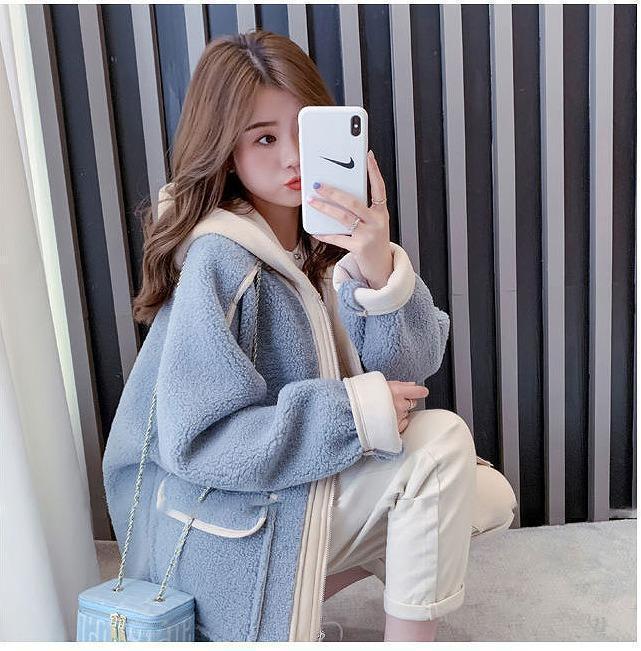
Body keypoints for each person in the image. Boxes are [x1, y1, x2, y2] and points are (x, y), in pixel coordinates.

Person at [102, 30, 517, 642]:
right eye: (265, 138)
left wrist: (377, 267)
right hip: (225, 513)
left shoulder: (322, 247)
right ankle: (280, 609)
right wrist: (354, 414)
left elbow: (412, 365)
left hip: (289, 485)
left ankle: (293, 597)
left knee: (484, 496)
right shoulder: (222, 259)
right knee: (442, 447)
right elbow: (200, 441)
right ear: (226, 151)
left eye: (304, 130)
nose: (293, 157)